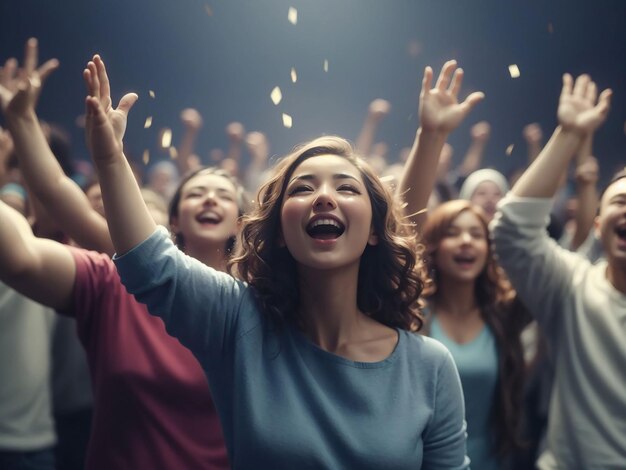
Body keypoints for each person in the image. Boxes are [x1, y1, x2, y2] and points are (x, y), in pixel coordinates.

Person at [87, 54, 470, 468]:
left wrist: (430, 138)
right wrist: (110, 159)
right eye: (302, 188)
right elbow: (151, 265)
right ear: (282, 234)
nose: (324, 196)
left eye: (346, 188)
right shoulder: (238, 323)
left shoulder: (430, 366)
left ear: (375, 230)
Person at [0, 41, 234, 469]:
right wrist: (21, 120)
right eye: (196, 192)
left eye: (223, 194)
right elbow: (53, 197)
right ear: (172, 222)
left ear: (242, 221)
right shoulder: (118, 277)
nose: (209, 200)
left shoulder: (263, 298)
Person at [491, 73, 625, 468]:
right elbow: (513, 231)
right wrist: (567, 135)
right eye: (618, 201)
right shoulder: (573, 284)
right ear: (598, 226)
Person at [421, 200, 529, 469]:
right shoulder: (412, 317)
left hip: (494, 459)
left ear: (489, 249)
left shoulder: (505, 315)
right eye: (453, 233)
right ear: (433, 246)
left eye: (477, 234)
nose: (466, 241)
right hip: (425, 459)